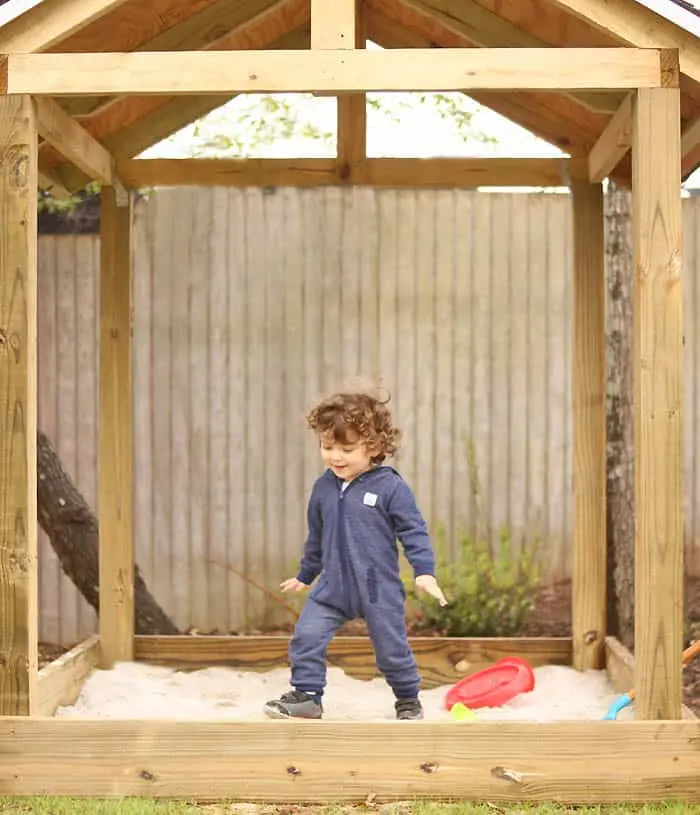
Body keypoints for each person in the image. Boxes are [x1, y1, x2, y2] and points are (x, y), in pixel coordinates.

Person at [263, 387, 447, 721]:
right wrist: (306, 575)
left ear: (373, 447)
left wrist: (424, 571)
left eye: (346, 448)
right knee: (306, 636)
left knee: (391, 651)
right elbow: (317, 537)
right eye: (327, 446)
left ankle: (407, 699)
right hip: (333, 587)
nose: (335, 456)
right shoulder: (323, 488)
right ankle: (307, 696)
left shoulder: (390, 488)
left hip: (377, 588)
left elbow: (413, 531)